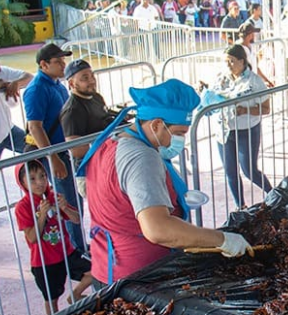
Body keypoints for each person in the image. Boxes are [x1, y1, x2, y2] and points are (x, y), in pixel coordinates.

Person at [76, 79, 252, 286]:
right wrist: (222, 240)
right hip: (136, 277)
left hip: (105, 266)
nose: (178, 141)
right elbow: (158, 229)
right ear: (157, 124)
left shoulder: (111, 141)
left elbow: (110, 194)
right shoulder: (141, 157)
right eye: (178, 134)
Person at [23, 44, 85, 254]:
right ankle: (76, 249)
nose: (63, 65)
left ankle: (78, 244)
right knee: (66, 198)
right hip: (55, 152)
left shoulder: (56, 84)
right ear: (44, 64)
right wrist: (53, 158)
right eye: (58, 62)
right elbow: (35, 126)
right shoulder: (36, 89)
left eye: (63, 61)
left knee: (72, 197)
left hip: (64, 149)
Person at [15, 160, 92, 315]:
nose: (40, 182)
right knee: (52, 299)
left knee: (95, 270)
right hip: (44, 261)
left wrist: (64, 208)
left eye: (42, 176)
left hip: (66, 252)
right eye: (32, 179)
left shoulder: (54, 196)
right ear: (22, 182)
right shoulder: (23, 207)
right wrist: (42, 216)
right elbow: (32, 238)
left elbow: (76, 219)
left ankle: (75, 295)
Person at [199, 45, 273, 206]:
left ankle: (274, 194)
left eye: (232, 61)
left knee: (249, 170)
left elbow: (266, 109)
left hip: (247, 130)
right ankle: (241, 206)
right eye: (226, 61)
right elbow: (213, 97)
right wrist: (205, 93)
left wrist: (244, 110)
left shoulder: (254, 82)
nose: (228, 65)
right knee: (230, 172)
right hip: (224, 131)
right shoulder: (221, 78)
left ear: (242, 61)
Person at [0, 45, 32, 227]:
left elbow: (29, 77)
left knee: (34, 150)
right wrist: (3, 84)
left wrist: (15, 83)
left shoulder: (2, 71)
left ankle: (46, 189)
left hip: (8, 130)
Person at [59, 60, 119, 198]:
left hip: (107, 163)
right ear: (72, 84)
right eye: (85, 78)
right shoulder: (72, 111)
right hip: (90, 171)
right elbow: (76, 149)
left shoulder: (96, 97)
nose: (92, 81)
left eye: (92, 76)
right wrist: (107, 142)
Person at [238, 23, 274, 88]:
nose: (254, 35)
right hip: (245, 85)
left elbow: (255, 68)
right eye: (253, 33)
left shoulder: (252, 46)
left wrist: (266, 80)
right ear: (250, 35)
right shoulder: (238, 49)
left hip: (252, 82)